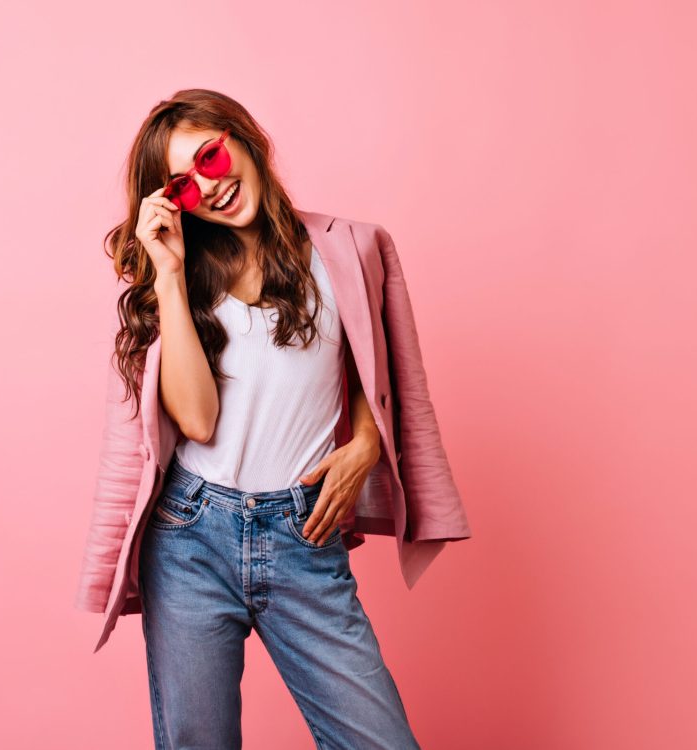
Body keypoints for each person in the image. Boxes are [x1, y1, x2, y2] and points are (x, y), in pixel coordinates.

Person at [86, 88, 466, 749]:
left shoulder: (352, 248)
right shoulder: (182, 278)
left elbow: (384, 378)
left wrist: (367, 445)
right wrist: (170, 276)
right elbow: (197, 421)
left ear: (242, 137)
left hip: (304, 534)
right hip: (190, 539)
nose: (210, 186)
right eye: (182, 186)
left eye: (210, 156)